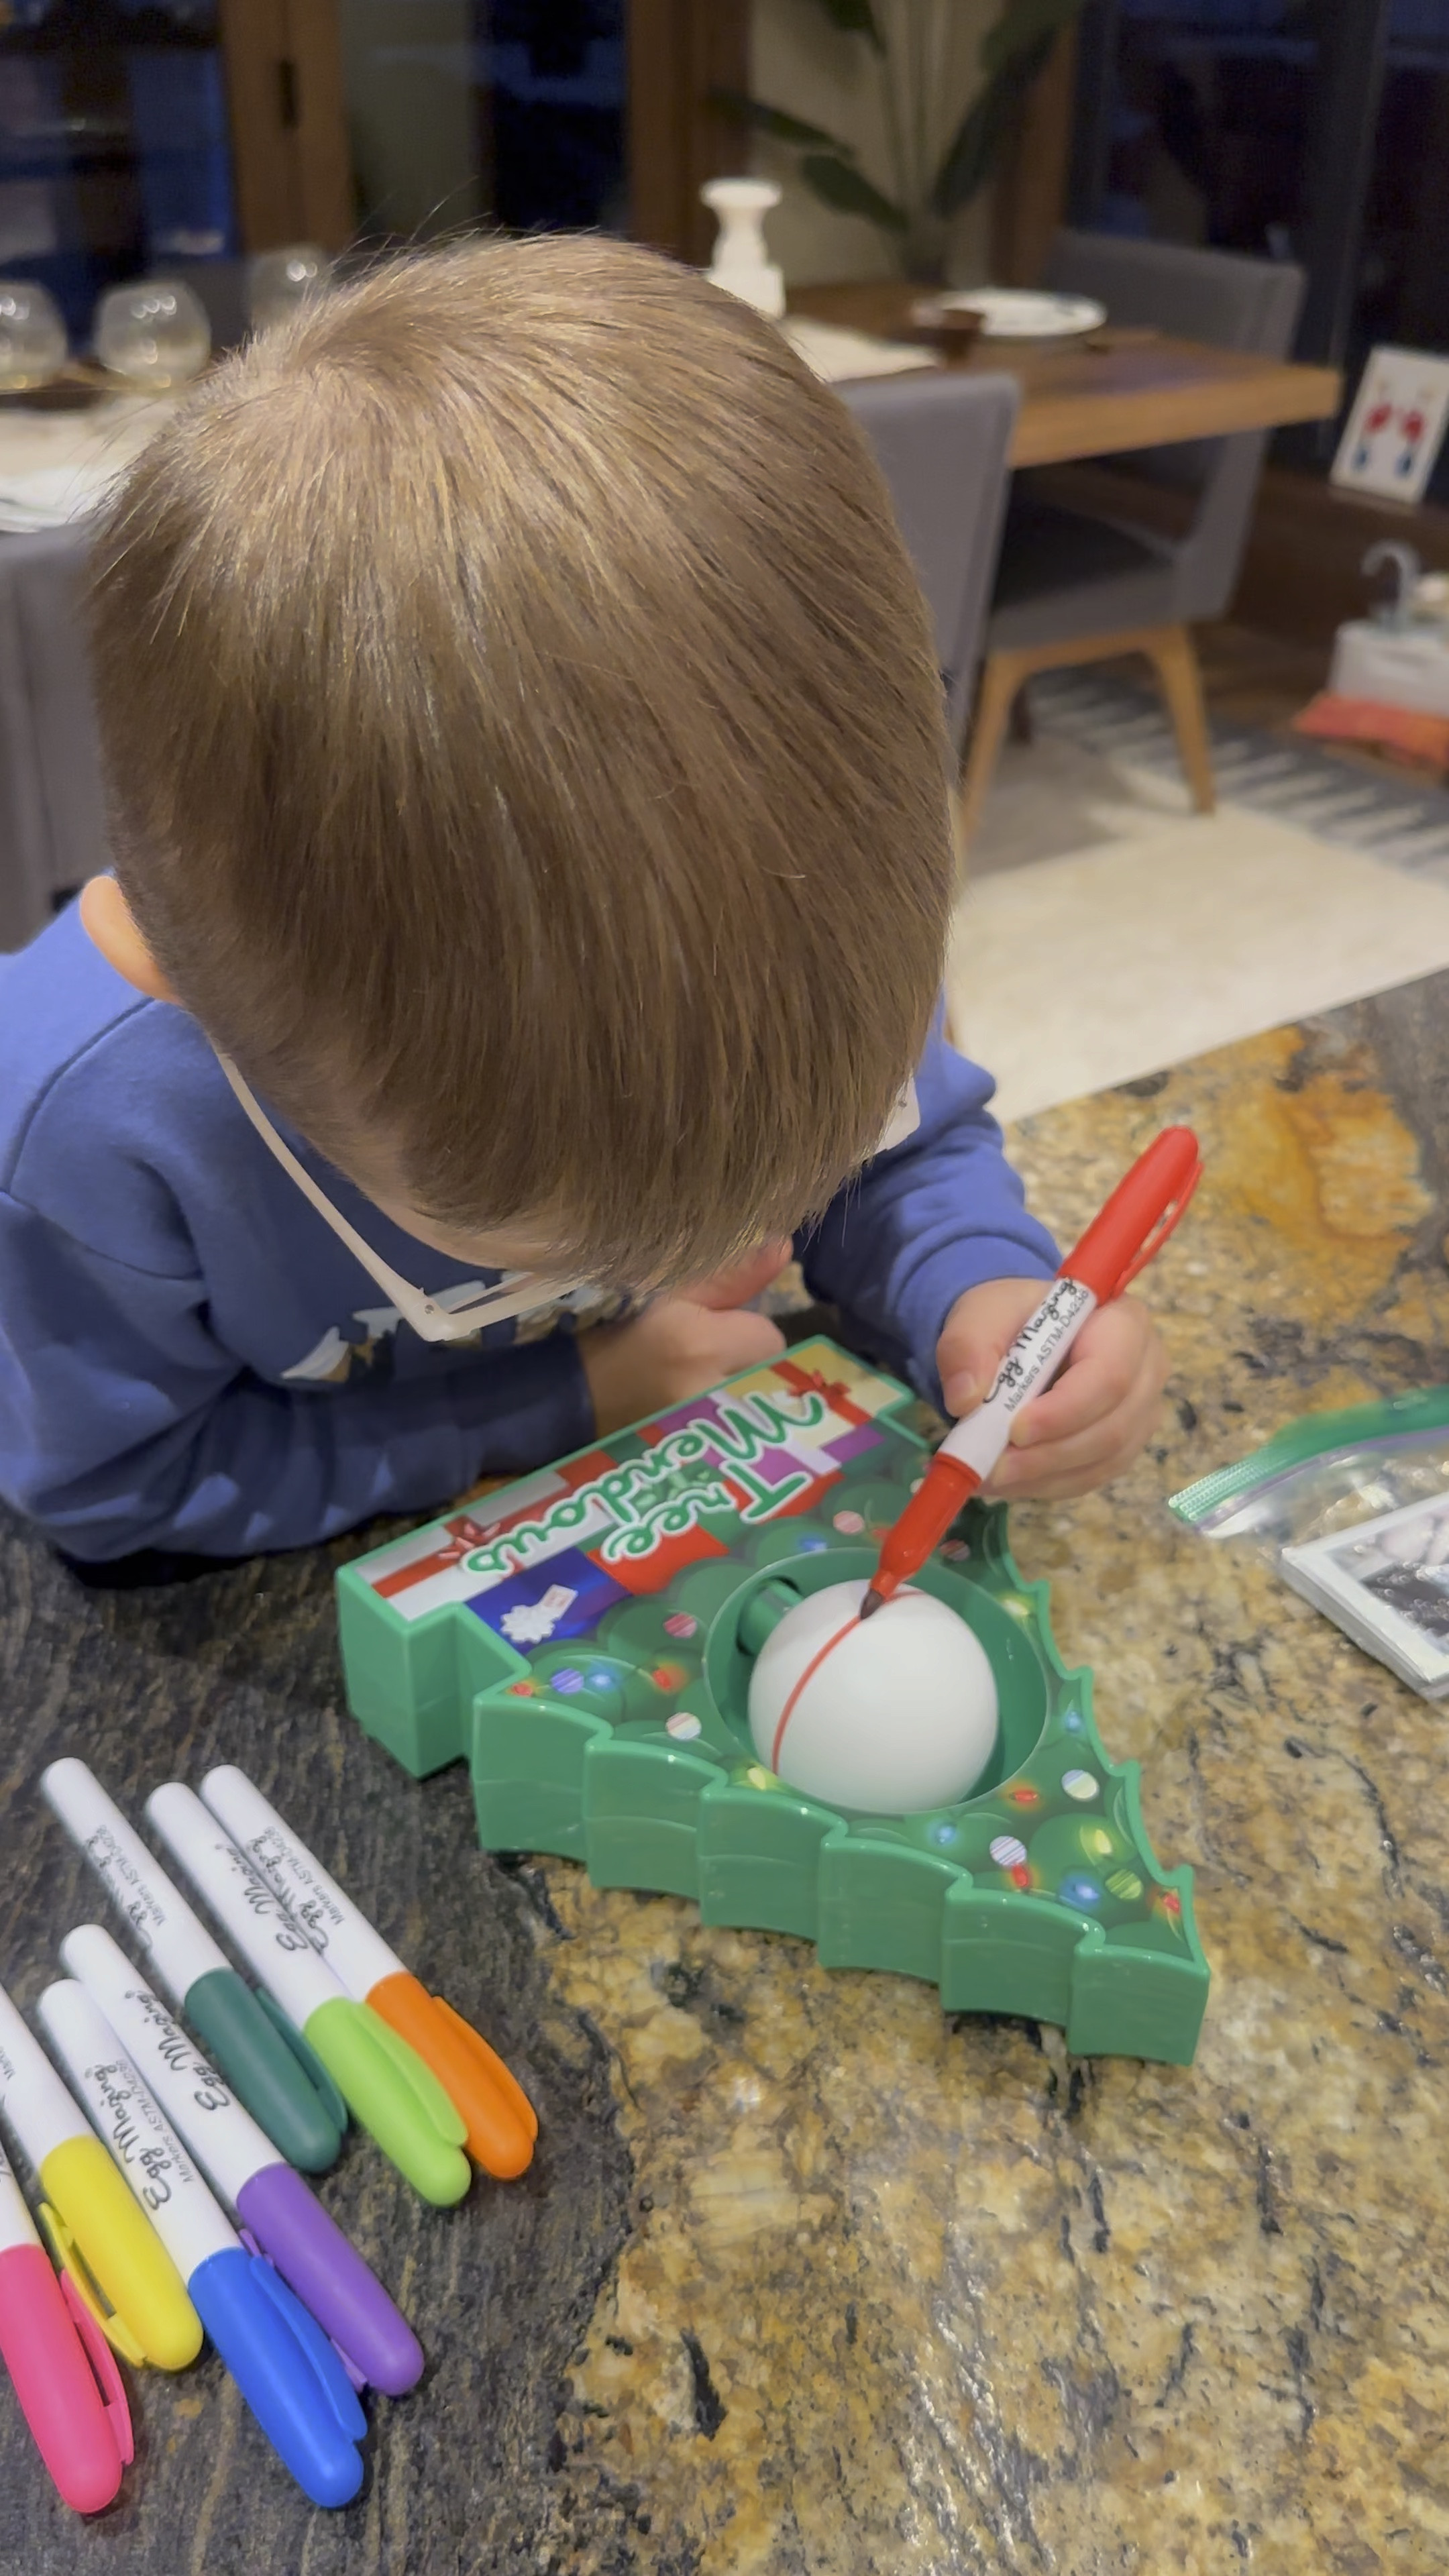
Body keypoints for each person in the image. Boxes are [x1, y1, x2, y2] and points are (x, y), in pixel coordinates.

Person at [0, 238, 1165, 1565]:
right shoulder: (75, 1140)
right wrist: (564, 1397)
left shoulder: (798, 916)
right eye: (548, 1228)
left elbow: (899, 1150)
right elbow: (120, 1486)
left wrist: (980, 1286)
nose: (725, 1238)